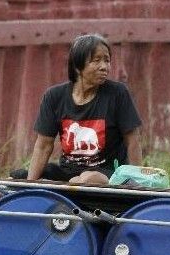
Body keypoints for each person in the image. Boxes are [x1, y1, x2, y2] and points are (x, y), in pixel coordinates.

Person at [11, 33, 143, 184]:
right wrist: (30, 185)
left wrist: (136, 182)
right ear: (78, 66)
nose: (104, 67)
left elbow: (133, 140)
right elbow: (43, 146)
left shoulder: (118, 93)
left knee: (88, 178)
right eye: (96, 60)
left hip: (107, 173)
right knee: (16, 178)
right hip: (68, 172)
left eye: (107, 60)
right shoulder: (54, 97)